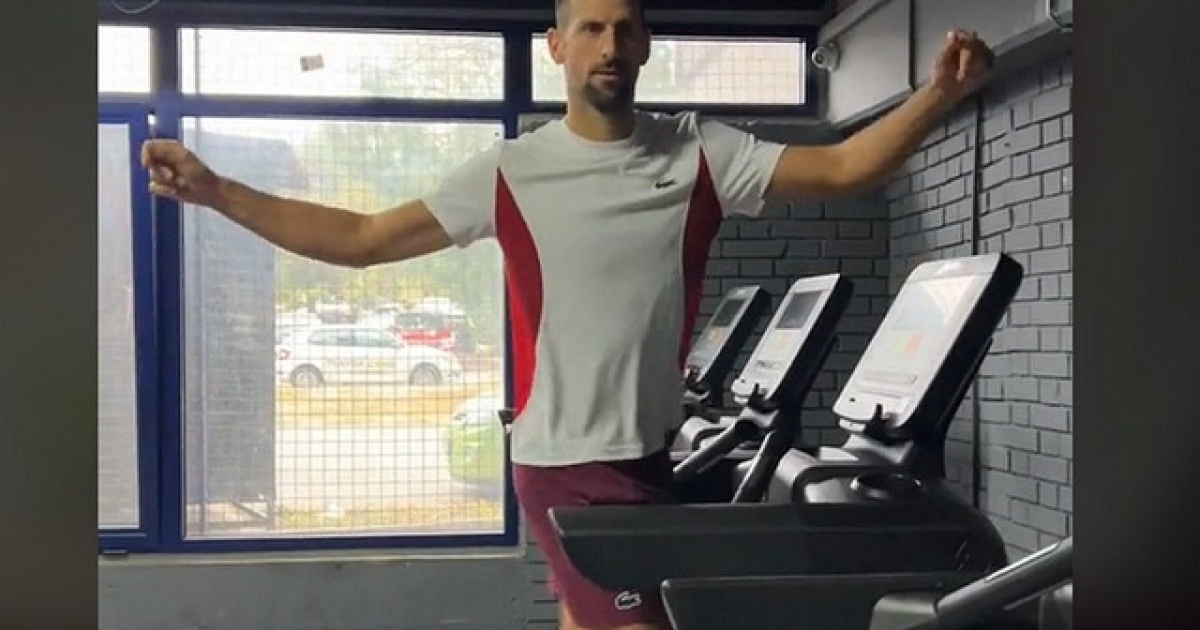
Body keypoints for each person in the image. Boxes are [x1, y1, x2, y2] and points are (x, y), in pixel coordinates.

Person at [140, 1, 995, 628]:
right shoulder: (512, 170)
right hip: (565, 464)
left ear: (647, 43)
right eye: (589, 28)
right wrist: (218, 192)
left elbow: (844, 168)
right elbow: (362, 238)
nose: (609, 46)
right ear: (557, 46)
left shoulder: (699, 151)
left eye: (624, 28)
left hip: (647, 456)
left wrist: (938, 95)